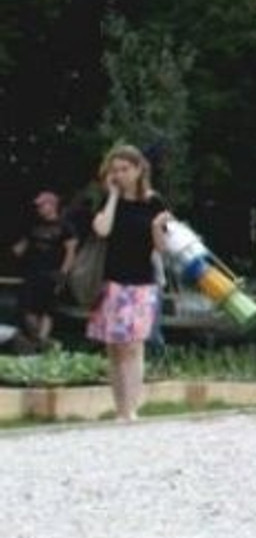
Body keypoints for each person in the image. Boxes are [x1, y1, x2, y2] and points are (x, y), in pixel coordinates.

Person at [87, 144, 173, 422]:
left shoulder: (153, 202)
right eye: (115, 170)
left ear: (138, 170)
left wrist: (157, 227)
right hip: (113, 281)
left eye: (125, 169)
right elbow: (102, 229)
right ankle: (120, 407)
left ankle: (132, 408)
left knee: (134, 345)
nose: (120, 174)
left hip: (142, 282)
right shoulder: (108, 201)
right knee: (115, 347)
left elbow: (161, 248)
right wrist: (112, 196)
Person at [11, 190, 77, 348]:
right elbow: (20, 248)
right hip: (32, 271)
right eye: (38, 206)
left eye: (42, 205)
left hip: (53, 272)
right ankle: (40, 342)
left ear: (52, 205)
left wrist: (63, 273)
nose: (39, 208)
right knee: (27, 309)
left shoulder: (66, 227)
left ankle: (42, 340)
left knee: (47, 310)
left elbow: (70, 252)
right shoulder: (33, 226)